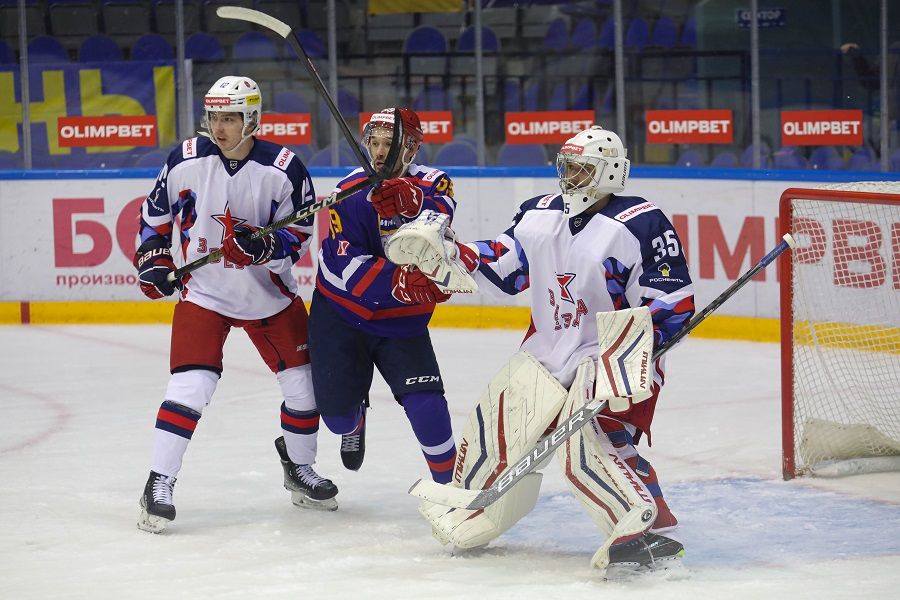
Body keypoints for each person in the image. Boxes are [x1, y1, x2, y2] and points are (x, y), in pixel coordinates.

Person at [413, 126, 696, 574]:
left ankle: (641, 527)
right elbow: (504, 265)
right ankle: (471, 514)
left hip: (610, 355)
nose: (570, 178)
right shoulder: (538, 213)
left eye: (582, 169)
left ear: (610, 173)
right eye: (567, 167)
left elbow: (674, 300)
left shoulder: (642, 222)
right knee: (495, 429)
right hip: (546, 352)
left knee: (592, 442)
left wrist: (632, 351)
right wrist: (452, 252)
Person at [134, 75, 338, 533]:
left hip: (270, 296)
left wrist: (263, 248)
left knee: (304, 389)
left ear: (252, 120)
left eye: (230, 118)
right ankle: (158, 481)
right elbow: (154, 219)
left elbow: (299, 233)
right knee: (190, 388)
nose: (219, 127)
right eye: (214, 117)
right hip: (205, 294)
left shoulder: (284, 168)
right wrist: (154, 262)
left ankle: (299, 468)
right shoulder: (186, 159)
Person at [309, 107, 458, 485]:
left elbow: (441, 218)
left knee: (427, 406)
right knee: (338, 419)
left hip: (401, 320)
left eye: (388, 144)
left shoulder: (434, 183)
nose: (378, 152)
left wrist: (413, 203)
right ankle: (355, 418)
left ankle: (454, 491)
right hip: (342, 314)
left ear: (411, 149)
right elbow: (344, 265)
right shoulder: (348, 192)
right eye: (373, 142)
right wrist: (400, 281)